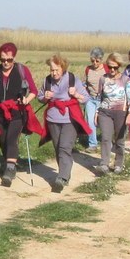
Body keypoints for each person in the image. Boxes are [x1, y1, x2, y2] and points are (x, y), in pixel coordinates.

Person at [0, 42, 43, 187]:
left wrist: (26, 100)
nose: (6, 63)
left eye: (9, 60)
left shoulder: (22, 70)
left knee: (12, 138)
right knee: (3, 139)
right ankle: (10, 161)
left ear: (14, 58)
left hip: (17, 109)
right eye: (2, 59)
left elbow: (33, 91)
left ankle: (10, 169)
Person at [38, 54, 91, 192]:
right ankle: (65, 173)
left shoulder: (73, 80)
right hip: (52, 119)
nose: (54, 73)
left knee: (64, 148)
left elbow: (86, 98)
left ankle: (62, 178)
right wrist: (45, 97)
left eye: (57, 70)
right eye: (52, 70)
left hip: (70, 119)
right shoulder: (47, 81)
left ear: (63, 68)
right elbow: (40, 97)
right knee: (58, 148)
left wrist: (76, 94)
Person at [96, 53, 130, 174]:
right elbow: (99, 97)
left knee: (119, 140)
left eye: (115, 67)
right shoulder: (103, 79)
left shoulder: (125, 80)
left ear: (119, 67)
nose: (112, 70)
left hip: (121, 113)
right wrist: (96, 112)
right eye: (110, 67)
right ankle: (104, 164)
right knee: (106, 138)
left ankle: (118, 163)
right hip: (105, 112)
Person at [83, 47, 106, 151]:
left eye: (97, 61)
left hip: (103, 99)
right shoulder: (88, 69)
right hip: (90, 99)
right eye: (93, 61)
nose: (95, 63)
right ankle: (93, 144)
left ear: (101, 60)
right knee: (90, 121)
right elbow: (85, 83)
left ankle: (107, 142)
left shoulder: (107, 69)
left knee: (102, 122)